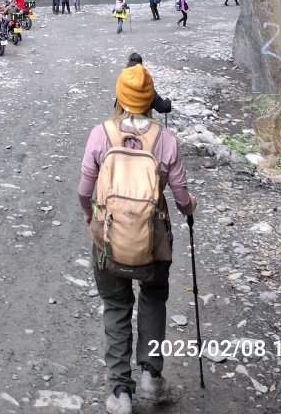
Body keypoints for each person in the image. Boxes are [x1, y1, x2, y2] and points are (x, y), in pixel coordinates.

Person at [79, 64, 196, 413]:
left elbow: (84, 191)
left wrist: (90, 218)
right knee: (154, 298)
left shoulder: (101, 134)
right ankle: (151, 376)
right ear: (150, 101)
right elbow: (181, 198)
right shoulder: (167, 140)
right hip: (153, 240)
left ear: (119, 96)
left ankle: (120, 393)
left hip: (109, 238)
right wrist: (191, 209)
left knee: (116, 305)